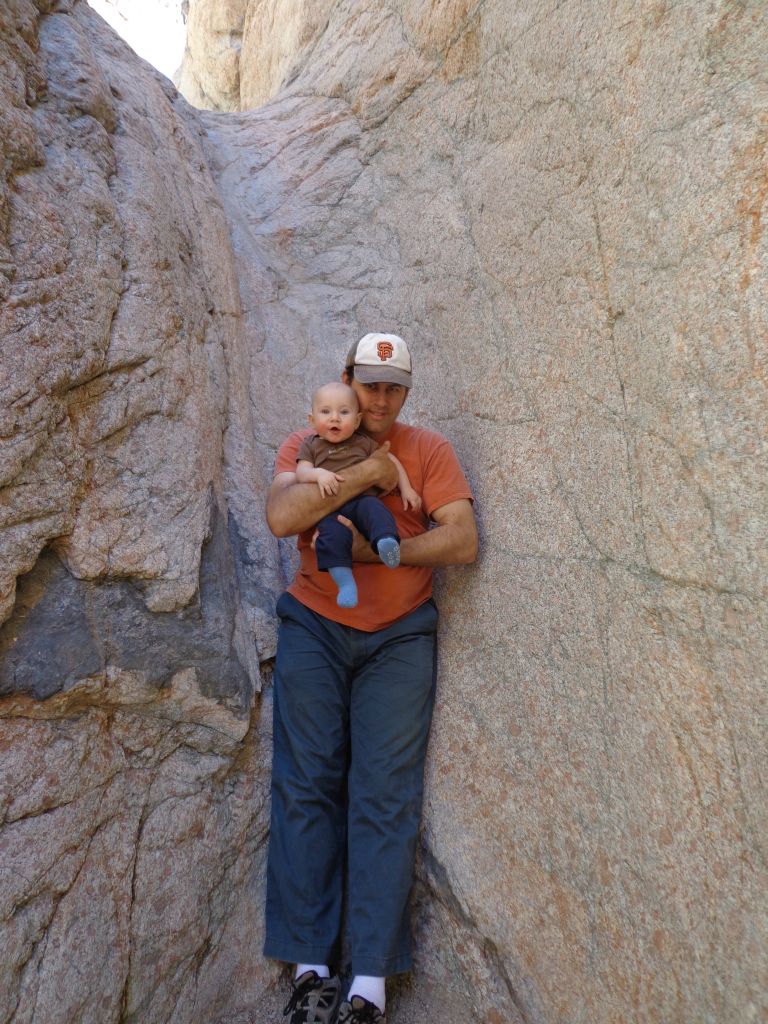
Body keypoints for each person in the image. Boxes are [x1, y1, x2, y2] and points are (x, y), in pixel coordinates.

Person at [264, 332, 478, 1024]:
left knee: (385, 798)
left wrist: (385, 556)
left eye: (393, 386)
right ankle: (310, 974)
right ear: (347, 381)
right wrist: (367, 474)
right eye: (368, 383)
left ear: (407, 391)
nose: (379, 398)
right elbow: (280, 515)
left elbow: (463, 539)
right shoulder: (309, 440)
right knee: (306, 785)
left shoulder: (432, 450)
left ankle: (368, 990)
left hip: (400, 639)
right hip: (314, 628)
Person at [295, 380, 422, 608]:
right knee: (331, 538)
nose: (335, 418)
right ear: (312, 420)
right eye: (326, 412)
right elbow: (301, 472)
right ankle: (346, 584)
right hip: (329, 509)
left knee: (375, 510)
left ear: (357, 421)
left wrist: (407, 488)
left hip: (361, 501)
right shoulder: (311, 445)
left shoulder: (363, 442)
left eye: (344, 412)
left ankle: (386, 543)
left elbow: (390, 460)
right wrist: (319, 475)